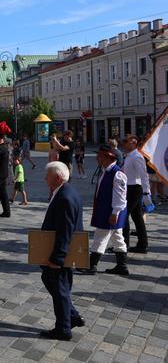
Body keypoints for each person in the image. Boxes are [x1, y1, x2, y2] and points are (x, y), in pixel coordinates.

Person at [38, 161, 84, 341]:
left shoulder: (65, 198)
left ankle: (63, 329)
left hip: (61, 254)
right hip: (62, 252)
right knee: (54, 283)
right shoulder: (67, 190)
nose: (44, 179)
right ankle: (71, 316)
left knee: (60, 289)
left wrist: (57, 258)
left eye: (47, 176)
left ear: (57, 178)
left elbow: (66, 231)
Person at [78, 144, 129, 276]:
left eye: (99, 155)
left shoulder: (117, 174)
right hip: (108, 210)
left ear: (108, 157)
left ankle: (92, 265)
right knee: (118, 238)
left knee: (100, 237)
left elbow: (120, 196)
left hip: (111, 212)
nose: (97, 158)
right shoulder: (105, 171)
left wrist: (115, 213)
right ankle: (122, 266)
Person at [121, 135, 152, 254]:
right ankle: (142, 245)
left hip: (134, 189)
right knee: (137, 217)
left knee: (124, 215)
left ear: (134, 143)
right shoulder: (130, 156)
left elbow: (144, 175)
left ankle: (124, 244)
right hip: (130, 188)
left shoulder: (137, 156)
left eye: (126, 142)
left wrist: (146, 192)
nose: (123, 144)